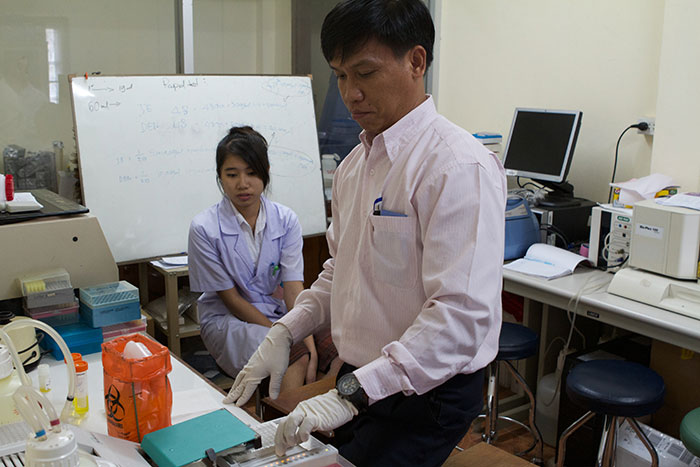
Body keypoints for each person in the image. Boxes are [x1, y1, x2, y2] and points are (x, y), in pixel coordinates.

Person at [225, 1, 507, 465]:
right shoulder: (355, 167)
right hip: (362, 378)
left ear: (416, 62)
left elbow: (458, 318)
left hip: (428, 390)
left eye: (365, 73)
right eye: (340, 76)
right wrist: (285, 330)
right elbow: (342, 273)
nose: (350, 93)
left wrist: (354, 393)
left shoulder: (457, 166)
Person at [188, 126, 337, 393]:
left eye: (252, 173)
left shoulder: (286, 219)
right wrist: (289, 335)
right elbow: (232, 300)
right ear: (220, 177)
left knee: (337, 347)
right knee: (292, 352)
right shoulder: (204, 228)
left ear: (266, 171)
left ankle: (322, 425)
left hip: (279, 311)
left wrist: (308, 338)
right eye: (231, 174)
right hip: (229, 320)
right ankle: (282, 425)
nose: (242, 184)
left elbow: (293, 289)